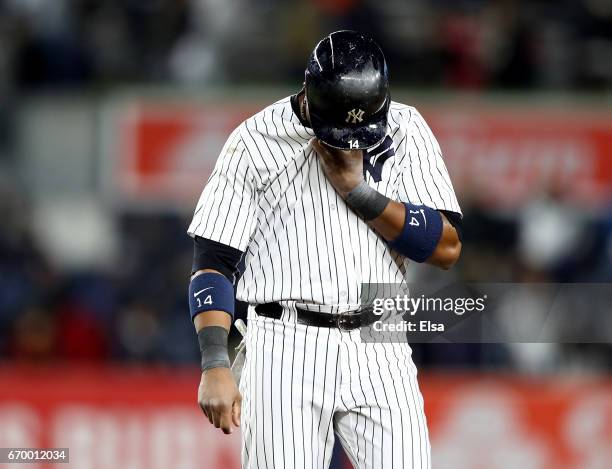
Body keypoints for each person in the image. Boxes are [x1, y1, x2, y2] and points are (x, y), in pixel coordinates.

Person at [187, 30, 462, 469]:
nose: (351, 138)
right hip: (285, 340)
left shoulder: (406, 128)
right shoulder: (254, 142)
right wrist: (215, 363)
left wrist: (359, 192)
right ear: (309, 96)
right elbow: (213, 264)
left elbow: (446, 248)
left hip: (380, 337)